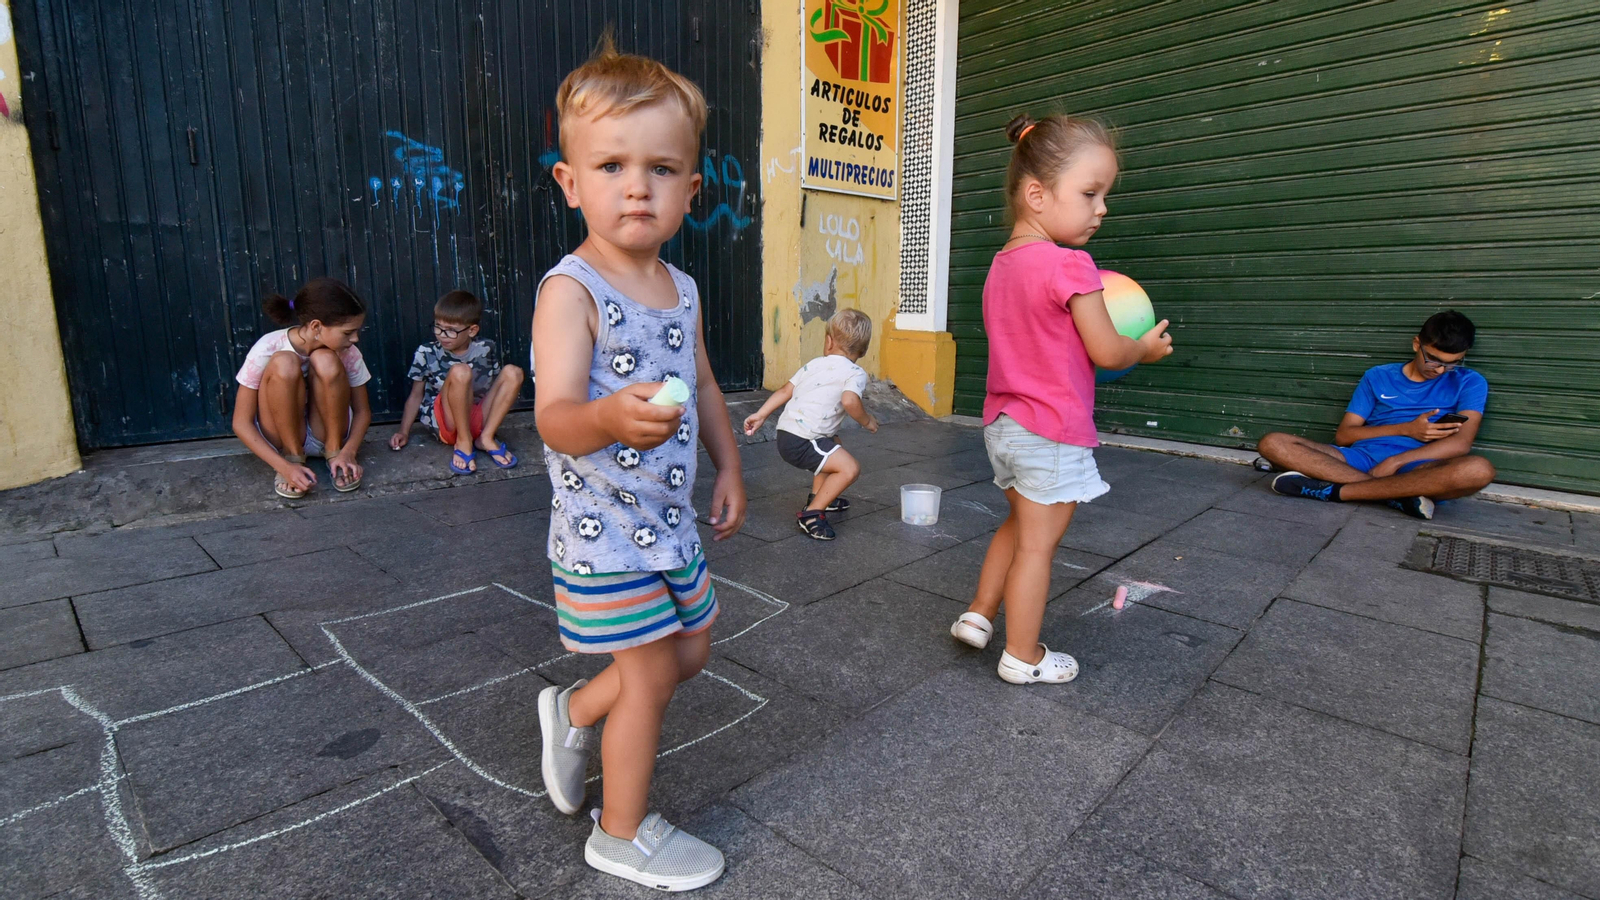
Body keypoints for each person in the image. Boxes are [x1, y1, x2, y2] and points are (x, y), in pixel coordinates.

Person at [530, 39, 746, 892]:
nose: (636, 187)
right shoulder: (571, 290)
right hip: (603, 536)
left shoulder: (682, 288)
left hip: (670, 522)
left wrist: (729, 468)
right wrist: (604, 417)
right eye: (611, 164)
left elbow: (702, 384)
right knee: (652, 673)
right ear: (570, 181)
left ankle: (574, 711)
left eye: (661, 169)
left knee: (688, 654)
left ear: (691, 189)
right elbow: (552, 417)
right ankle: (619, 834)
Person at [947, 113, 1172, 685]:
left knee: (1018, 528)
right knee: (1038, 549)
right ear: (1037, 195)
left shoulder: (1001, 265)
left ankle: (979, 614)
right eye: (1091, 193)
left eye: (1105, 196)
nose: (1102, 209)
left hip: (1004, 423)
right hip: (1049, 429)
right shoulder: (1070, 263)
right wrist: (1141, 348)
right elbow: (1105, 350)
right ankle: (1024, 655)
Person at [1258, 311, 1495, 520]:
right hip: (1360, 458)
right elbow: (1344, 436)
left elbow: (1461, 444)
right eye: (1433, 360)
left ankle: (1335, 491)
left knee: (1478, 470)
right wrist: (1406, 429)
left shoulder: (1470, 382)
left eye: (1452, 363)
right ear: (1416, 344)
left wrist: (1396, 461)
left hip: (1419, 469)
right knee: (1273, 443)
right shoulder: (1377, 376)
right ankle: (1395, 497)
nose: (1441, 370)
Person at [740, 309, 879, 540]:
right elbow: (849, 400)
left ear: (828, 342)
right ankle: (812, 514)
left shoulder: (814, 364)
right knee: (849, 468)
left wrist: (761, 414)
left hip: (787, 434)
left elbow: (785, 390)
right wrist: (868, 421)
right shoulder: (856, 373)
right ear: (863, 350)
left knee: (834, 443)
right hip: (804, 440)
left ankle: (820, 496)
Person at [231, 278, 371, 498]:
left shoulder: (347, 351)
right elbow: (241, 422)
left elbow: (362, 411)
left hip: (325, 433)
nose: (355, 338)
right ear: (316, 326)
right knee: (284, 362)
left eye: (357, 331)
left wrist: (348, 452)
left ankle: (333, 453)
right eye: (347, 332)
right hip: (280, 436)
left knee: (326, 358)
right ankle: (292, 456)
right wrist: (283, 467)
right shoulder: (267, 347)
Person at [389, 290, 525, 473]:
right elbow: (415, 395)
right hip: (447, 422)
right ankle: (463, 440)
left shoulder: (487, 348)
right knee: (460, 371)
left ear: (472, 330)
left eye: (451, 331)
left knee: (513, 372)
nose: (442, 335)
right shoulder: (426, 352)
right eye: (438, 327)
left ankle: (486, 437)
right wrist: (403, 431)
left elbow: (496, 391)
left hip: (476, 418)